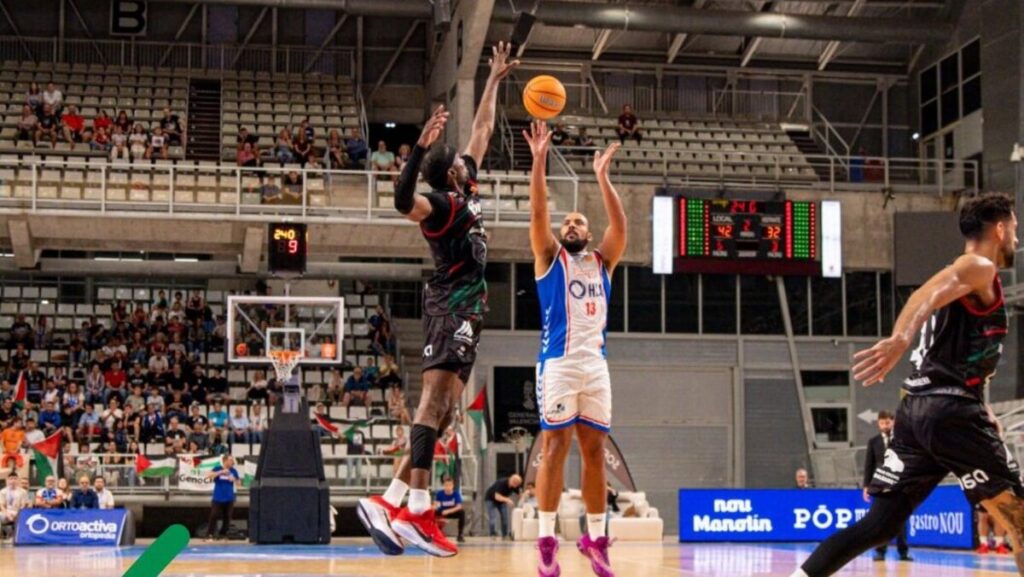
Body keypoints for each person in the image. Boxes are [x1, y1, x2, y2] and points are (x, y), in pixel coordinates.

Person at [790, 193, 1024, 577]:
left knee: (880, 525)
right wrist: (900, 338)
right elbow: (924, 294)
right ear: (999, 228)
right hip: (947, 411)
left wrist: (983, 408)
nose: (1016, 234)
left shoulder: (970, 280)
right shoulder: (977, 265)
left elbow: (958, 355)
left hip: (919, 412)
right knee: (1020, 521)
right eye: (1013, 225)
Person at [357, 42, 517, 559]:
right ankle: (419, 510)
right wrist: (417, 150)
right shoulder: (443, 204)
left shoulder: (466, 180)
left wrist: (492, 80)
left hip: (469, 310)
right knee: (431, 405)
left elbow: (484, 129)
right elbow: (403, 201)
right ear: (451, 174)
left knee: (446, 415)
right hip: (450, 305)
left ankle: (392, 499)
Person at [523, 119, 627, 577]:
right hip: (559, 364)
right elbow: (539, 213)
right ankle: (547, 540)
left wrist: (602, 177)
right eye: (568, 220)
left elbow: (620, 224)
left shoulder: (603, 260)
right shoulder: (549, 257)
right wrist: (540, 162)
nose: (570, 223)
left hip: (596, 366)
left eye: (578, 220)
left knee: (593, 450)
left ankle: (596, 538)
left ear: (588, 233)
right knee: (554, 446)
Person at [862, 410, 911, 561]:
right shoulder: (874, 441)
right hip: (880, 483)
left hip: (899, 483)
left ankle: (903, 551)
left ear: (893, 422)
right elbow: (869, 465)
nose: (885, 426)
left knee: (901, 517)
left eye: (887, 423)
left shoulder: (901, 439)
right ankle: (880, 551)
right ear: (878, 423)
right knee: (880, 517)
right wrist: (866, 486)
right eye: (882, 423)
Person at [205, 455, 241, 541]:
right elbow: (209, 475)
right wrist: (220, 472)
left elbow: (239, 483)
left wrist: (234, 479)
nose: (232, 462)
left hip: (229, 498)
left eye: (232, 460)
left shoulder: (233, 471)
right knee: (214, 515)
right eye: (230, 460)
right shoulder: (217, 468)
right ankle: (209, 534)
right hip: (218, 497)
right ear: (225, 461)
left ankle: (223, 534)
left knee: (227, 517)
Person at [485, 474, 523, 538]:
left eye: (517, 485)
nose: (516, 486)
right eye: (516, 483)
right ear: (512, 480)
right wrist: (507, 500)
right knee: (493, 517)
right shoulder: (502, 483)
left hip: (502, 500)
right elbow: (497, 496)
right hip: (491, 499)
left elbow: (520, 495)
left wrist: (525, 495)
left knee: (505, 518)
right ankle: (492, 534)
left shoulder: (515, 486)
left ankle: (504, 535)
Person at [434, 475, 465, 543]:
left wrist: (448, 511)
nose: (448, 487)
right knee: (432, 513)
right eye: (446, 485)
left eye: (449, 485)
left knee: (462, 512)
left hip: (452, 511)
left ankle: (460, 535)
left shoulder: (456, 494)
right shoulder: (439, 494)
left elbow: (459, 506)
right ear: (444, 486)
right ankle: (434, 534)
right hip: (442, 512)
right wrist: (435, 508)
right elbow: (436, 505)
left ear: (452, 486)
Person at [0, 472, 29, 538]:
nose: (13, 480)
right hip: (6, 512)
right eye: (11, 479)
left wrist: (16, 514)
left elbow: (23, 506)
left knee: (24, 517)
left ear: (17, 480)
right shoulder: (2, 491)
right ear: (8, 480)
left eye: (15, 479)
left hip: (18, 512)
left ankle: (21, 537)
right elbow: (2, 505)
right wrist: (7, 514)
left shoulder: (23, 492)